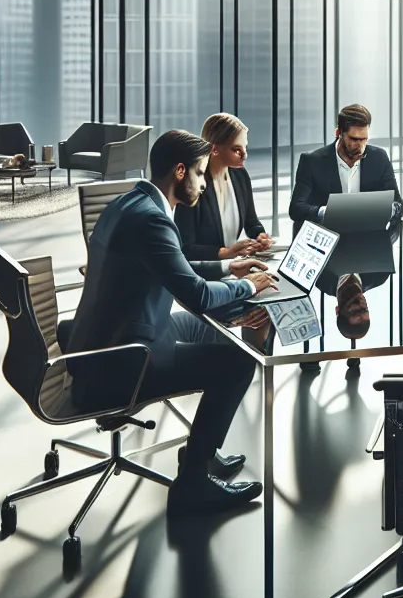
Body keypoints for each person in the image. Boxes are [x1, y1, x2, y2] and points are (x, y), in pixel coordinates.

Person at [64, 129, 279, 514]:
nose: (201, 183)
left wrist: (227, 267)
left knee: (207, 332)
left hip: (110, 335)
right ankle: (193, 482)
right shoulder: (153, 221)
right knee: (239, 362)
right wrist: (246, 286)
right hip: (124, 358)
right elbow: (195, 294)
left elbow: (172, 265)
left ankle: (203, 450)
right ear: (180, 172)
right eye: (199, 174)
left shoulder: (128, 203)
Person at [288, 103, 403, 233]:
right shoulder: (312, 161)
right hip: (327, 239)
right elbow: (296, 209)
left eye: (364, 139)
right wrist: (326, 212)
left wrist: (387, 209)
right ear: (339, 133)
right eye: (354, 139)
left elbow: (398, 203)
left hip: (367, 240)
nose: (360, 146)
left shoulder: (379, 158)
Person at [176, 113, 273, 263]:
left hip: (232, 265)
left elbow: (251, 222)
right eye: (236, 150)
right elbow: (185, 248)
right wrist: (225, 253)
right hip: (204, 272)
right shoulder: (193, 184)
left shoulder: (240, 175)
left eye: (245, 147)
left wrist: (260, 235)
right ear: (215, 150)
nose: (244, 155)